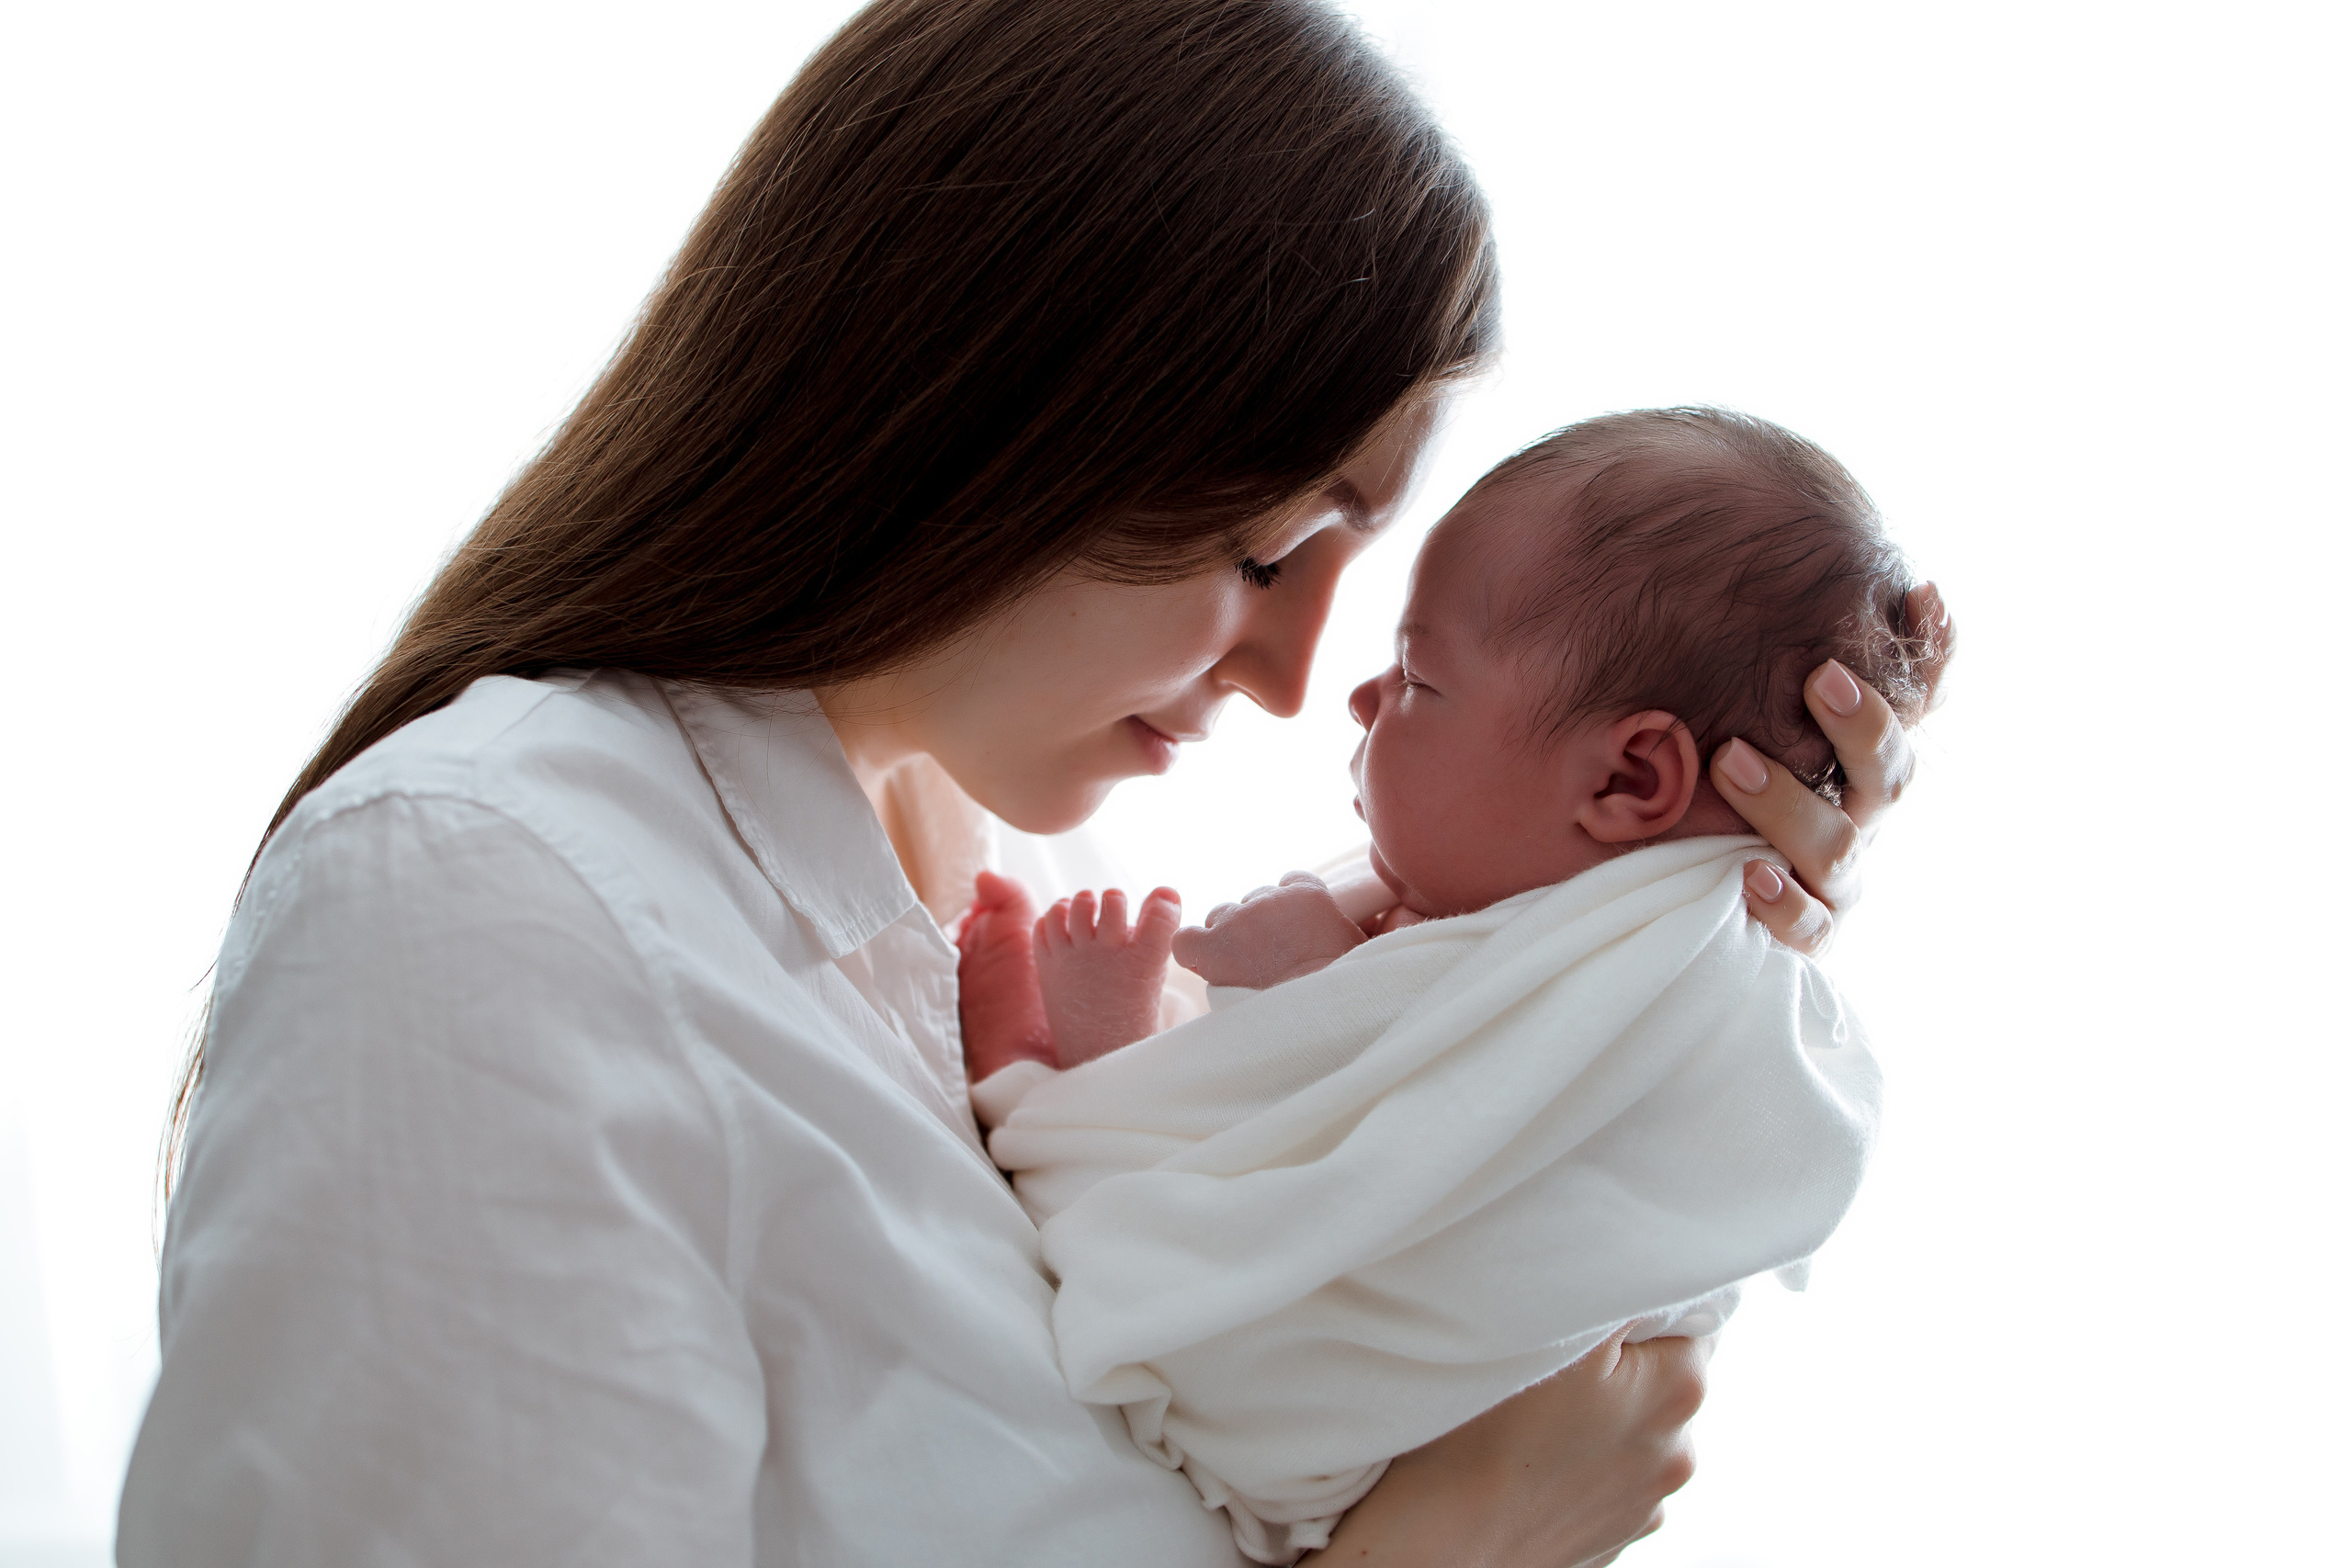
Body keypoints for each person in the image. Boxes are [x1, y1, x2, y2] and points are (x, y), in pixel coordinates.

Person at [119, 5, 1943, 1564]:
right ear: (986, 414)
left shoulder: (942, 880)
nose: (1295, 678)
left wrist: (1664, 938)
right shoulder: (493, 903)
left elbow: (1393, 1072)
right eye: (1257, 549)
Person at [962, 406, 1950, 1562]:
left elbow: (1297, 1136)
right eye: (1260, 553)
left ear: (1632, 775)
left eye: (1418, 678)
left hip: (1326, 1395)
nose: (1344, 696)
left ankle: (1054, 1079)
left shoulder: (1687, 980)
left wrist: (1168, 1028)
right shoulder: (1542, 962)